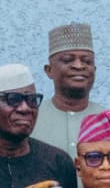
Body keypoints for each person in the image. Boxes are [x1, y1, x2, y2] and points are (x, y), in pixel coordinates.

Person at [30, 21, 100, 156]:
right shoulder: (30, 119)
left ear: (95, 70)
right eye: (68, 60)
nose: (79, 66)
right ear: (49, 70)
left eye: (87, 61)